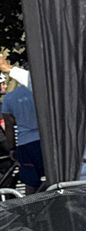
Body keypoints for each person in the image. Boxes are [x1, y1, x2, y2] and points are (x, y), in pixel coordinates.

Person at [1, 58, 44, 189]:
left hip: (25, 143)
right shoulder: (42, 92)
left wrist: (12, 148)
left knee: (30, 183)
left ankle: (32, 202)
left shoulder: (9, 98)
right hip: (45, 141)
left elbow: (9, 126)